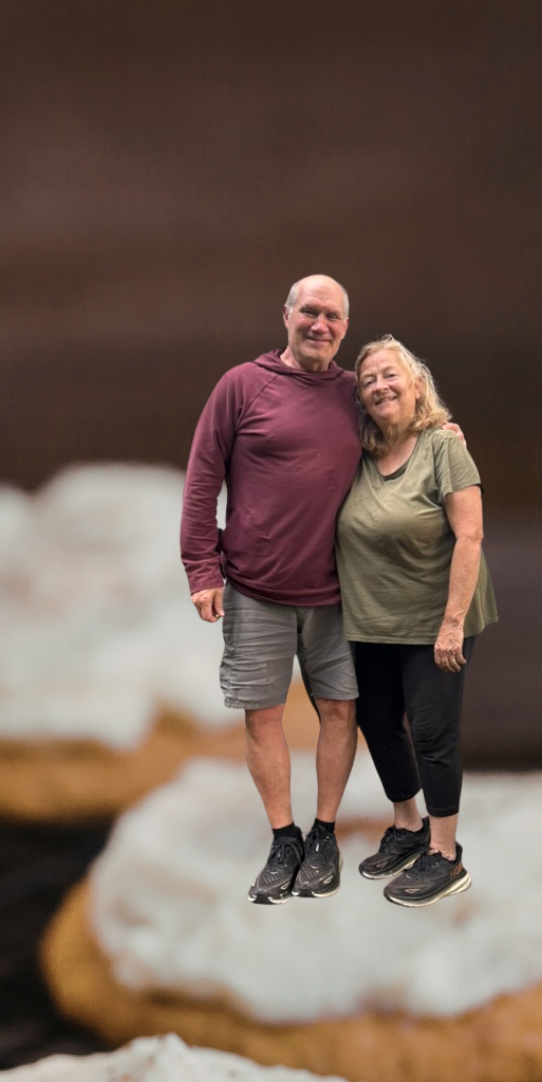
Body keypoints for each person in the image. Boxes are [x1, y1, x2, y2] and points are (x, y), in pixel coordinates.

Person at [181, 275, 363, 904]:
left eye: (332, 315)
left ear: (345, 325)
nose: (320, 324)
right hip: (255, 587)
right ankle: (284, 836)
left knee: (341, 710)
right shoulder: (242, 386)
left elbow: (405, 439)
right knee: (264, 715)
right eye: (309, 311)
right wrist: (201, 569)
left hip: (340, 593)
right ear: (286, 316)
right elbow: (202, 477)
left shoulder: (355, 394)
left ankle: (324, 833)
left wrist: (445, 437)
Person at [336, 336, 495, 907]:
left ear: (417, 383)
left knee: (431, 731)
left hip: (435, 618)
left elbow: (470, 535)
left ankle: (446, 855)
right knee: (376, 722)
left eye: (389, 374)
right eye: (368, 380)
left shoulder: (442, 448)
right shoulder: (355, 455)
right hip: (371, 619)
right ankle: (409, 827)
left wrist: (452, 622)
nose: (379, 385)